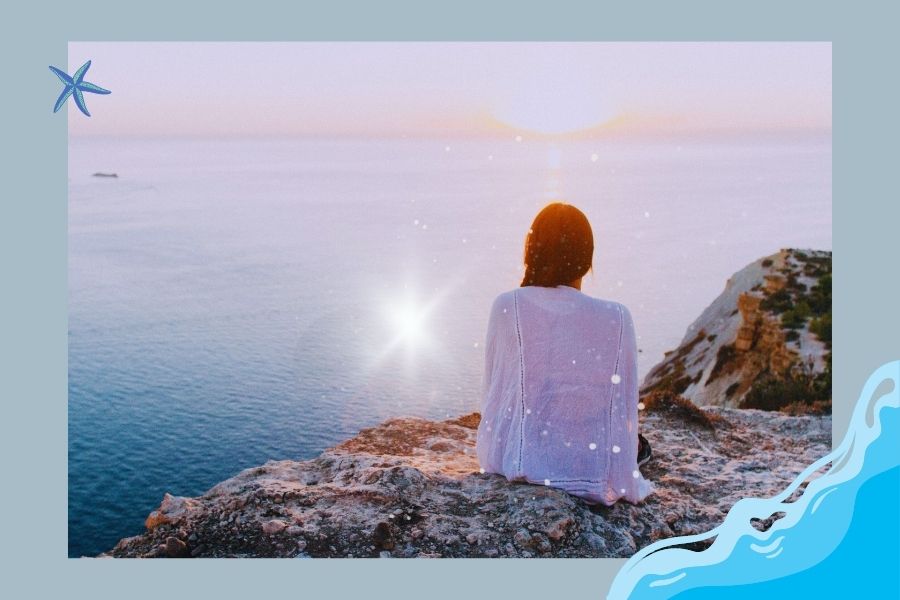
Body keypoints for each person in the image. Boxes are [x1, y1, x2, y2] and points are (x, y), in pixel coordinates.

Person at [475, 202, 654, 505]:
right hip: (591, 462)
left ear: (531, 251)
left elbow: (495, 396)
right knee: (636, 445)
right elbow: (622, 405)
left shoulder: (507, 306)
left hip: (520, 459)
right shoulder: (618, 316)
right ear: (586, 260)